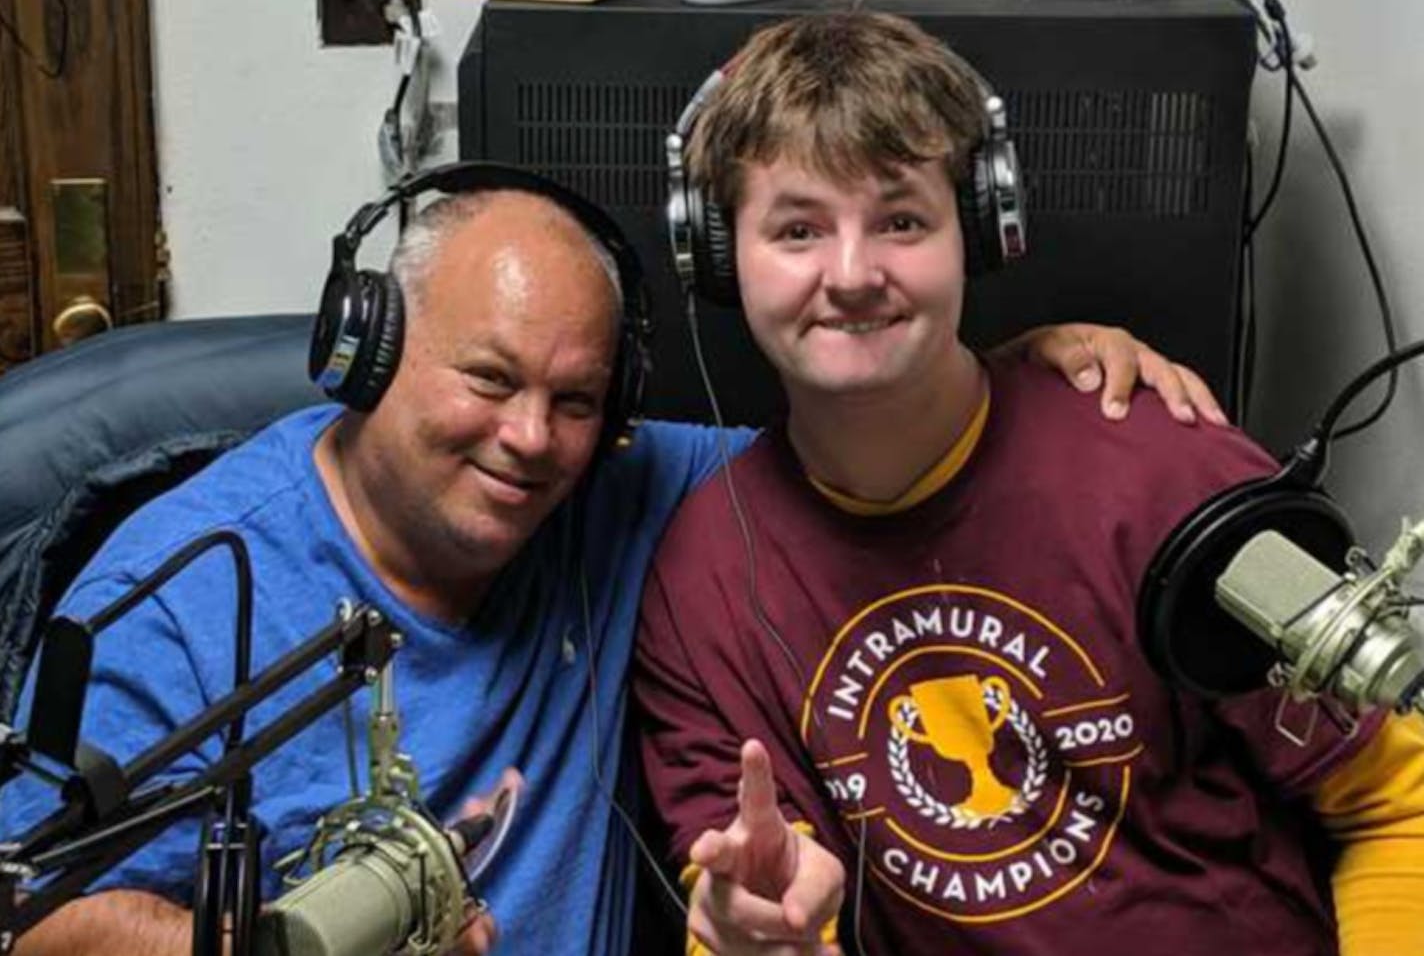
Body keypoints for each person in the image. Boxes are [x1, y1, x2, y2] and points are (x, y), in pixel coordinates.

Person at [0, 175, 1217, 955]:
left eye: (574, 398)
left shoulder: (619, 487)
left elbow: (859, 455)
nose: (527, 439)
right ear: (362, 352)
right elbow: (41, 922)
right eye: (485, 379)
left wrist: (1016, 375)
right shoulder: (177, 597)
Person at [633, 12, 1424, 956]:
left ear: (977, 229)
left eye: (900, 220)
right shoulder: (703, 579)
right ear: (719, 257)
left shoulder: (1169, 469)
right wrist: (757, 940)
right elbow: (758, 902)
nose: (851, 275)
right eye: (797, 228)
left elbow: (1394, 804)